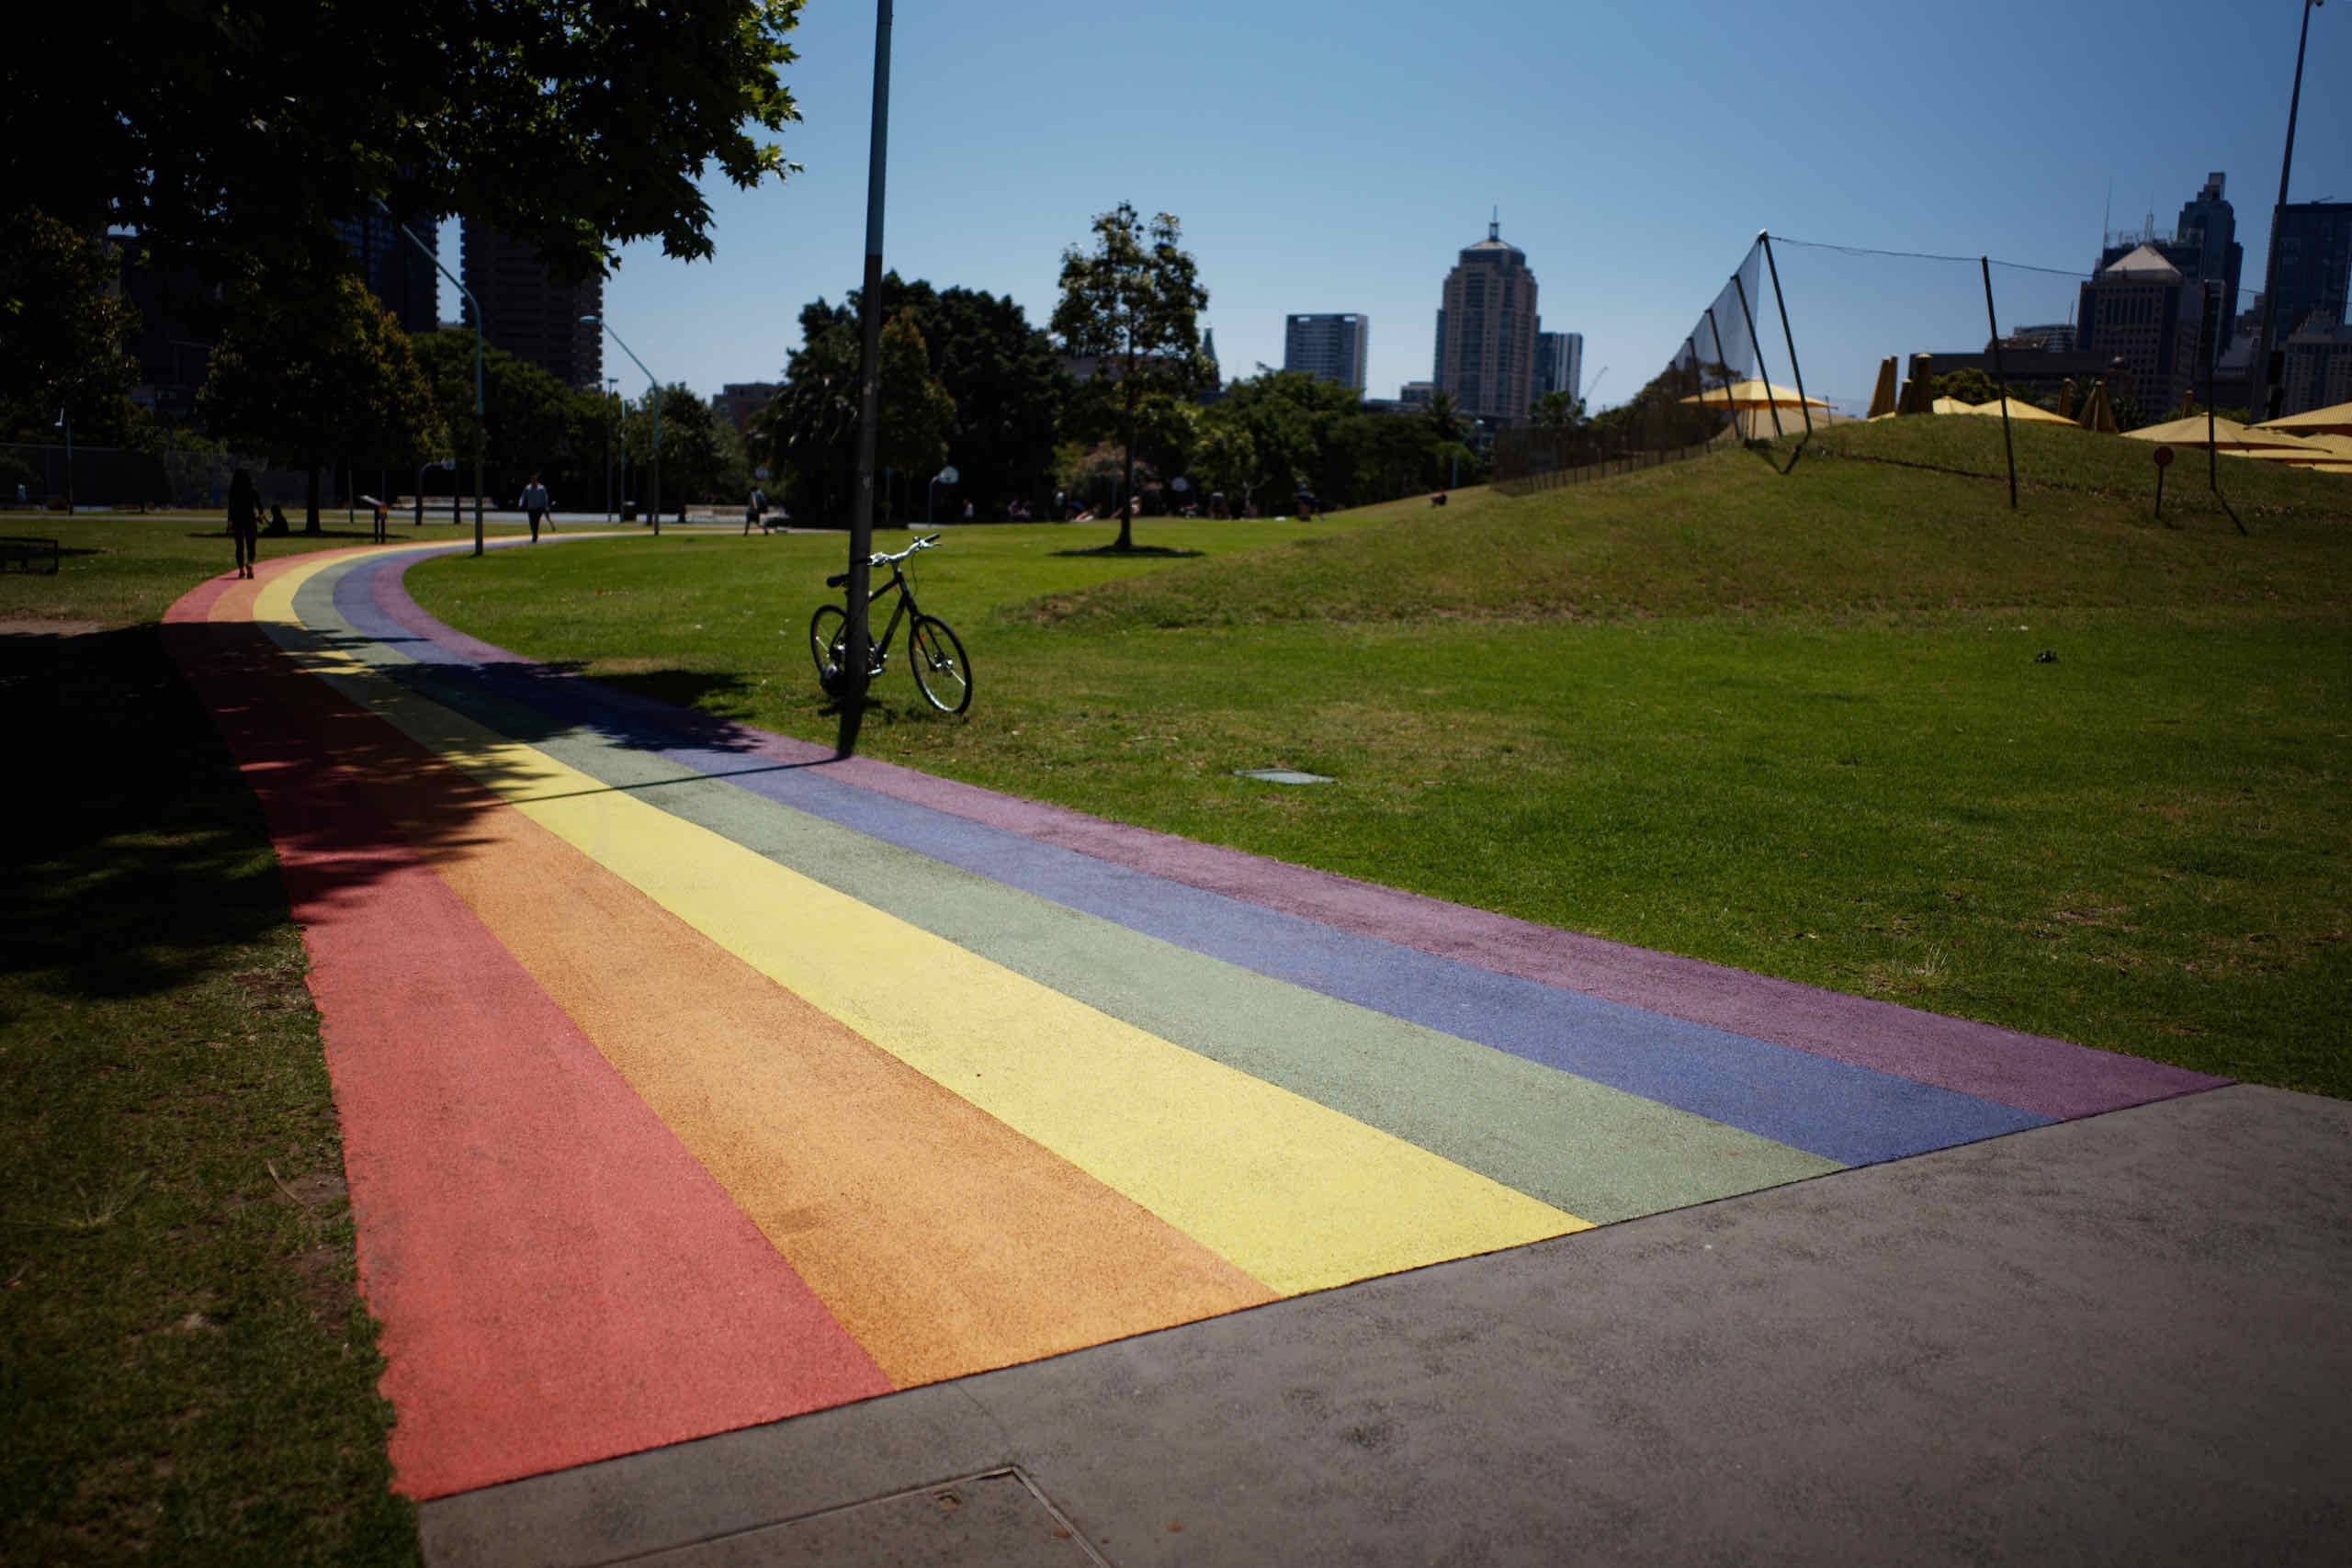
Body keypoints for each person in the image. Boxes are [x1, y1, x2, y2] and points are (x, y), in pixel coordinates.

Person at [226, 468, 261, 579]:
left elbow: (231, 508)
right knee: (251, 544)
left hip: (237, 519)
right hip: (250, 519)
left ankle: (241, 570)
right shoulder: (252, 490)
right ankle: (250, 563)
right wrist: (260, 514)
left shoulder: (233, 491)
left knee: (239, 545)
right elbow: (259, 504)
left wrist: (229, 523)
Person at [520, 473, 550, 542]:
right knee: (531, 522)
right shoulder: (528, 487)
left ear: (536, 480)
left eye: (534, 479)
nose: (533, 480)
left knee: (536, 522)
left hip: (538, 508)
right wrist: (521, 502)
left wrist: (546, 506)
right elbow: (523, 496)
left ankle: (535, 536)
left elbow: (545, 498)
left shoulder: (541, 488)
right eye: (532, 479)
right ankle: (534, 534)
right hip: (530, 508)